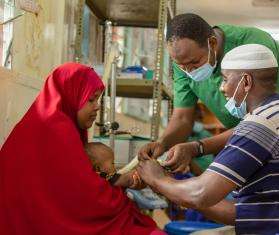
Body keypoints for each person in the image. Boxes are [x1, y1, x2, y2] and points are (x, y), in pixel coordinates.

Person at [0, 63, 166, 235]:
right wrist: (120, 194)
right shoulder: (57, 130)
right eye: (91, 99)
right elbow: (87, 197)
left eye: (98, 99)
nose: (97, 106)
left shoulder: (50, 124)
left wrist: (118, 181)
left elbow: (74, 186)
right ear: (72, 94)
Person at [137, 44, 279, 234]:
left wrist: (158, 180)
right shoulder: (272, 113)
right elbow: (243, 213)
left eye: (226, 79)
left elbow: (200, 194)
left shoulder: (258, 125)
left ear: (246, 81)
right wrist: (195, 149)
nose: (222, 88)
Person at [138, 13, 279, 173]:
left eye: (194, 62)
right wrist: (162, 144)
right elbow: (182, 118)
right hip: (246, 139)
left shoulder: (253, 46)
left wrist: (198, 148)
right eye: (181, 66)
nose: (188, 71)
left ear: (212, 43)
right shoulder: (184, 61)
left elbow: (263, 120)